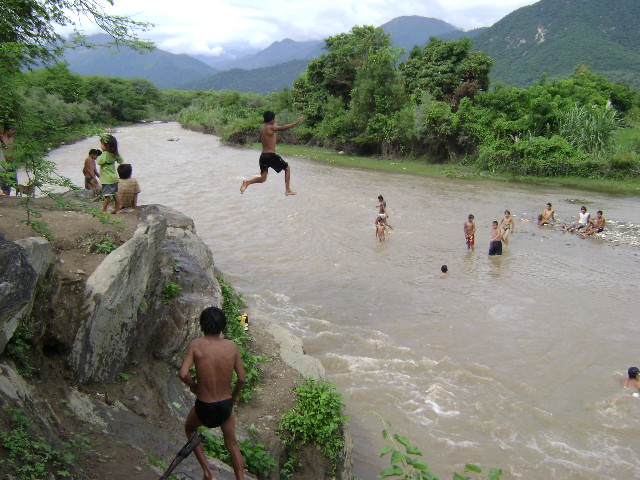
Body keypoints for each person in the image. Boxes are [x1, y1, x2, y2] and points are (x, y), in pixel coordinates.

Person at [179, 306, 246, 480]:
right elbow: (242, 378)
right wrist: (235, 395)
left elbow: (183, 374)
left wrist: (193, 386)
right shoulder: (231, 346)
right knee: (232, 444)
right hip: (225, 405)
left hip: (204, 406)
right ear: (223, 327)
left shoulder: (196, 345)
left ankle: (208, 473)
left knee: (190, 429)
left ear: (202, 326)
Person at [240, 111, 304, 196]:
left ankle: (247, 182)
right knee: (287, 168)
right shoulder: (271, 128)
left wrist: (274, 126)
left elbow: (271, 134)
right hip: (270, 155)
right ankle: (288, 190)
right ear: (272, 119)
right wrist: (296, 122)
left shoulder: (263, 128)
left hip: (263, 156)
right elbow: (283, 128)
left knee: (263, 178)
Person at [97, 134, 123, 214]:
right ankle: (117, 209)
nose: (101, 146)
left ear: (106, 146)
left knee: (107, 196)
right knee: (115, 194)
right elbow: (121, 161)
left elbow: (98, 162)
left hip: (106, 179)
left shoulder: (105, 154)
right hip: (114, 178)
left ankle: (103, 210)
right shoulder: (115, 154)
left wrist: (100, 156)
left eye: (102, 145)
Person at [0, 125, 17, 196]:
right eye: (11, 130)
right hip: (4, 163)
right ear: (7, 131)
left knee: (14, 181)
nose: (13, 132)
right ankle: (6, 196)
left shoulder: (12, 139)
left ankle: (13, 196)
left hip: (11, 162)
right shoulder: (2, 139)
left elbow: (15, 149)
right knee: (5, 181)